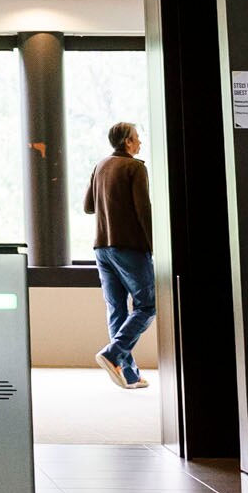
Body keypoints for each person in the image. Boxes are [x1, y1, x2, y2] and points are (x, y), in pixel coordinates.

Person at [84, 119, 155, 388]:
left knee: (117, 309)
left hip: (102, 248)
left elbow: (88, 206)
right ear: (127, 142)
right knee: (147, 306)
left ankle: (128, 374)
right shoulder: (135, 167)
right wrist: (154, 245)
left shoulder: (100, 165)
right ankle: (113, 353)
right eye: (137, 137)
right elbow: (143, 210)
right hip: (129, 247)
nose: (140, 142)